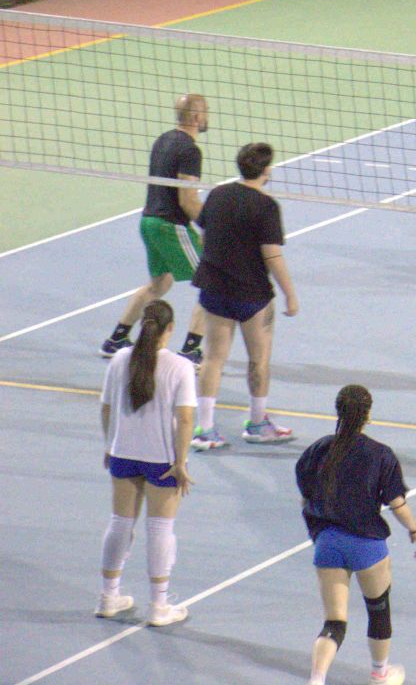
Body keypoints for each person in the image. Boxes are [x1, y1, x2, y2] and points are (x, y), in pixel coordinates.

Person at [296, 385, 416, 685]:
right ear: (368, 414)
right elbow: (397, 504)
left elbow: (305, 496)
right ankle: (380, 673)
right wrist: (414, 529)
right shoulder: (380, 455)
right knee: (378, 611)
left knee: (334, 622)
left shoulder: (318, 450)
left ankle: (316, 679)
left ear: (338, 411)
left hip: (327, 543)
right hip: (366, 546)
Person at [190, 142, 299, 451]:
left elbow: (205, 236)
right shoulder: (266, 206)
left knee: (213, 359)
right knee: (258, 361)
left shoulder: (218, 194)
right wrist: (290, 295)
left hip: (214, 290)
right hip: (252, 295)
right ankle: (257, 423)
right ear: (266, 170)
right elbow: (272, 256)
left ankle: (205, 429)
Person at [97, 300, 195, 628]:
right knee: (161, 528)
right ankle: (159, 605)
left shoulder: (120, 359)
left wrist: (109, 445)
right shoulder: (180, 366)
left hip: (123, 453)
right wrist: (180, 462)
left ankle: (108, 596)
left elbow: (106, 408)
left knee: (120, 523)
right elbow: (185, 419)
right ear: (170, 329)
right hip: (161, 459)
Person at [102, 94, 209, 363]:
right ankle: (191, 351)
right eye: (205, 112)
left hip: (148, 221)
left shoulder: (163, 140)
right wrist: (211, 225)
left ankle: (116, 339)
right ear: (197, 117)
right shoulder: (190, 151)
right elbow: (187, 200)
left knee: (160, 283)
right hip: (169, 226)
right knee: (215, 283)